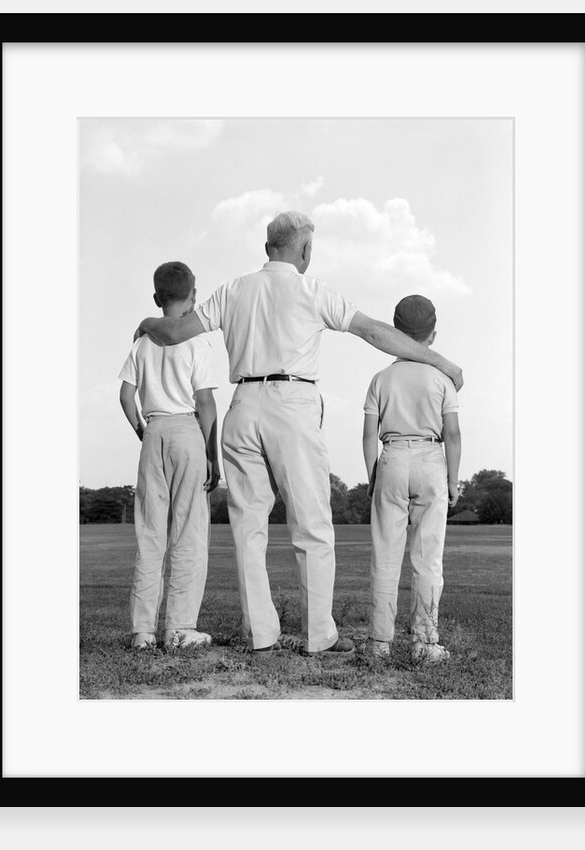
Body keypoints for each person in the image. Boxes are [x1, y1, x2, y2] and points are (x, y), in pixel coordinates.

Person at [134, 211, 463, 658]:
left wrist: (148, 324)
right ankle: (318, 635)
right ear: (304, 249)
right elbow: (374, 333)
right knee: (311, 526)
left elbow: (172, 331)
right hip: (293, 405)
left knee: (249, 528)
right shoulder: (312, 291)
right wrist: (442, 363)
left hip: (243, 406)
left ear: (269, 246)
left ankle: (261, 635)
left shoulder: (233, 289)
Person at [119, 261, 220, 651]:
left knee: (150, 533)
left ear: (156, 298)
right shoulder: (196, 342)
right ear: (193, 297)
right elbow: (206, 403)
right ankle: (179, 627)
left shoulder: (142, 343)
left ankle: (142, 631)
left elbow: (126, 396)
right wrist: (213, 454)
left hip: (155, 431)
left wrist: (143, 430)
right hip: (187, 431)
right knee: (189, 532)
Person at [362, 294, 461, 663]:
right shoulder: (442, 378)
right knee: (428, 558)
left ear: (395, 331)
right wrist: (453, 481)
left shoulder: (381, 378)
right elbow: (452, 433)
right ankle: (424, 642)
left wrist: (372, 474)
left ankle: (379, 644)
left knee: (386, 556)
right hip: (431, 458)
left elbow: (368, 433)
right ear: (432, 335)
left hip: (391, 456)